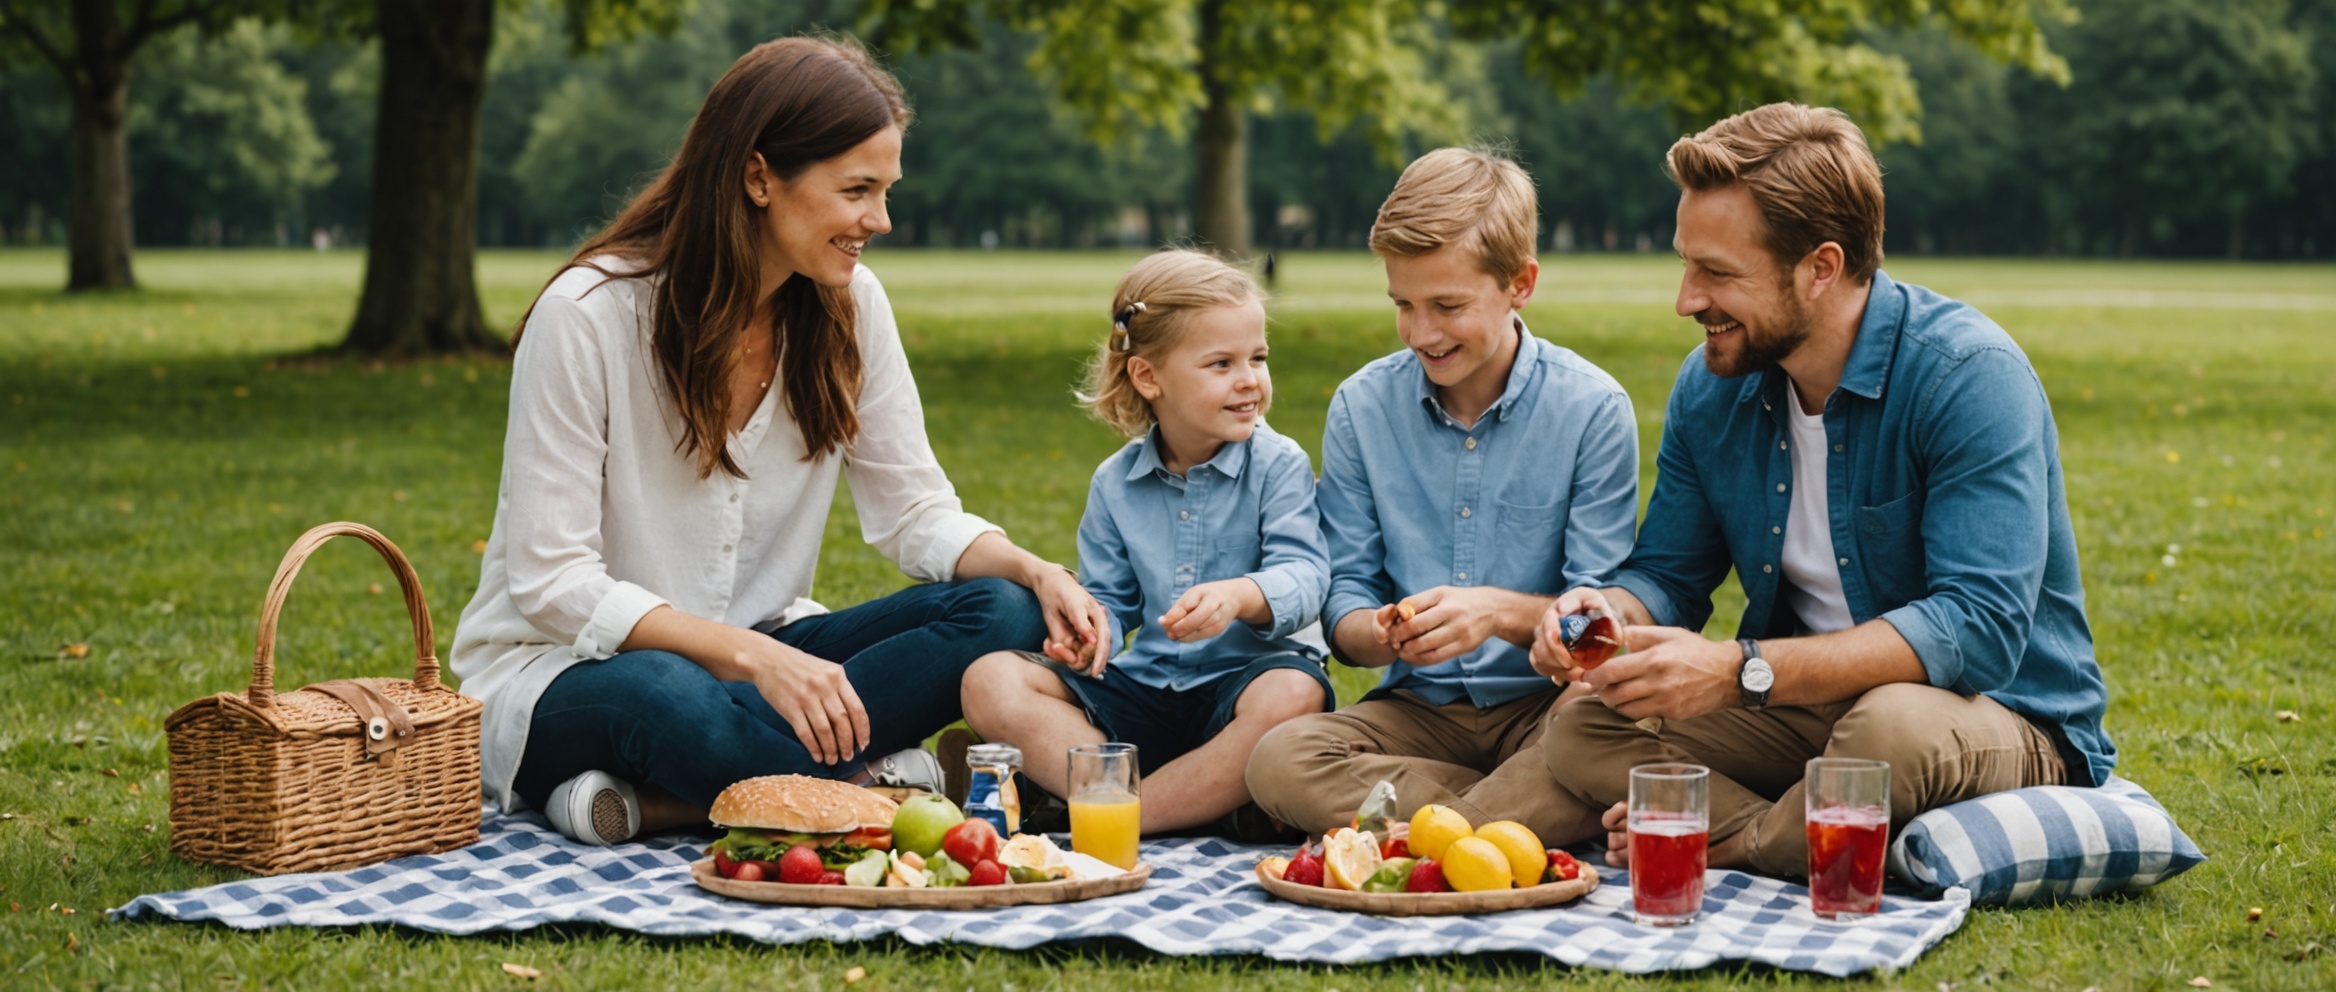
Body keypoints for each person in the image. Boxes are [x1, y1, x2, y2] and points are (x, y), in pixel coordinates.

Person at [450, 37, 1100, 846]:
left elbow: (915, 513)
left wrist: (1033, 570)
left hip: (763, 657)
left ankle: (667, 803)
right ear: (759, 177)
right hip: (573, 672)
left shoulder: (850, 306)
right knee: (666, 695)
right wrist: (752, 661)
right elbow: (550, 580)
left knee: (1002, 611)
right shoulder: (587, 316)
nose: (881, 220)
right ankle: (875, 788)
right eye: (857, 190)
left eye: (886, 191)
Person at [1532, 103, 2115, 879]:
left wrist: (1740, 670)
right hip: (1804, 709)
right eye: (1685, 263)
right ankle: (1806, 831)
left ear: (1821, 267)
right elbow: (1670, 574)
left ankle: (1734, 844)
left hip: (1995, 714)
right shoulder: (1714, 387)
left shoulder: (1967, 375)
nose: (1686, 299)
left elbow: (1977, 627)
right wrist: (1605, 615)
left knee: (1886, 732)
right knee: (1582, 729)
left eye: (1717, 272)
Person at [1242, 148, 1640, 843]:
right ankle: (1505, 824)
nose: (1422, 332)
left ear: (1520, 283)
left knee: (1600, 739)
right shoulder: (1362, 407)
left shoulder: (1593, 409)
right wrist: (1382, 629)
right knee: (1280, 761)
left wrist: (1496, 614)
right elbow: (1346, 610)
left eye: (1447, 305)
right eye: (1403, 305)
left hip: (1548, 712)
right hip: (1419, 715)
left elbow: (1601, 625)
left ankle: (1425, 833)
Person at [959, 249, 1333, 837]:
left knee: (1295, 692)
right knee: (989, 679)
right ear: (1148, 376)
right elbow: (1111, 598)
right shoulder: (1115, 482)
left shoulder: (1278, 464)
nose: (1250, 381)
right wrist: (1088, 636)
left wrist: (1240, 595)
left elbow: (1307, 576)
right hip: (1146, 692)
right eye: (1221, 363)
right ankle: (1205, 800)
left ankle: (1131, 812)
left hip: (1242, 693)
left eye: (1258, 358)